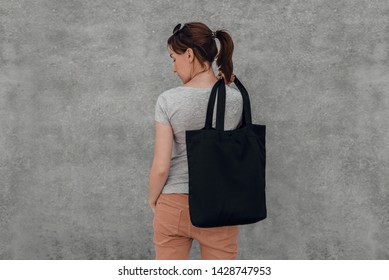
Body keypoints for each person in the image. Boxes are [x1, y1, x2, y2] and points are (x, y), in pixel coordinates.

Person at [148, 22, 243, 260]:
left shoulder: (168, 100)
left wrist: (153, 200)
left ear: (189, 54)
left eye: (173, 58)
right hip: (220, 206)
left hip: (174, 204)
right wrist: (227, 85)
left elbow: (161, 167)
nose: (173, 68)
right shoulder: (235, 98)